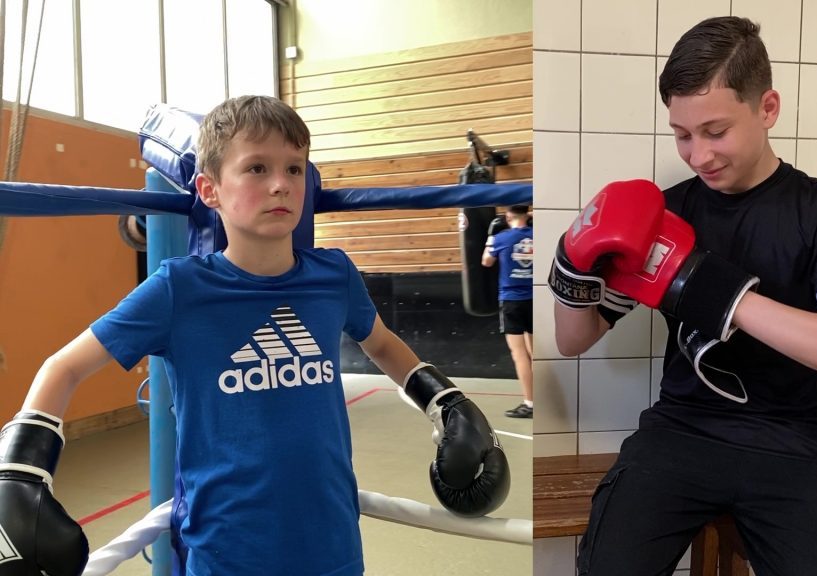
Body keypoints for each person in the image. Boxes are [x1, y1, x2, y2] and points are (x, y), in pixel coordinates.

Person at [0, 95, 510, 576]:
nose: (281, 184)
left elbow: (379, 342)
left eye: (294, 168)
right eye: (256, 168)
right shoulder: (180, 289)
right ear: (209, 189)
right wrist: (20, 471)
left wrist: (444, 401)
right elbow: (62, 367)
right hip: (228, 550)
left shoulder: (332, 275)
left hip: (331, 542)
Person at [547, 16, 817, 576]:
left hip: (796, 444)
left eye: (716, 131)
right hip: (681, 432)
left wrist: (719, 295)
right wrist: (572, 264)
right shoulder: (666, 213)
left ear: (768, 108)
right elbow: (571, 340)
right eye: (682, 135)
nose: (698, 155)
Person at [482, 205, 533, 418]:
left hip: (512, 300)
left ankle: (530, 403)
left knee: (519, 353)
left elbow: (486, 261)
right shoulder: (536, 234)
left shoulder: (501, 238)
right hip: (535, 297)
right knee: (535, 353)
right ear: (527, 212)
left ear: (508, 215)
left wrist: (490, 237)